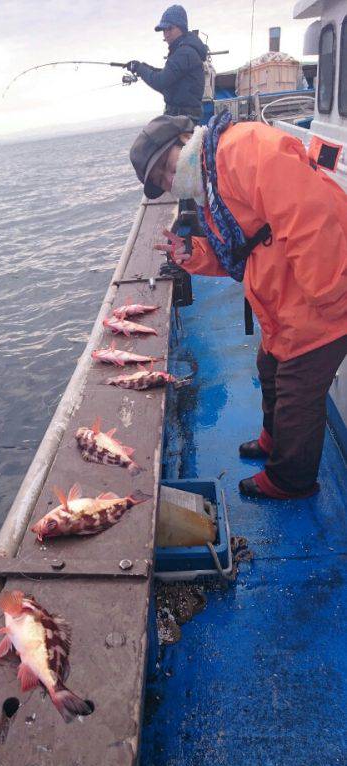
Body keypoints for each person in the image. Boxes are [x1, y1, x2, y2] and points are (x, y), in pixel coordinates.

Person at [129, 113, 347, 500]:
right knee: (269, 367)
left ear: (186, 137)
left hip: (323, 299)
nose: (169, 179)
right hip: (286, 301)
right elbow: (236, 251)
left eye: (167, 165)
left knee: (298, 392)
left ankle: (290, 480)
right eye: (161, 180)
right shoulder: (210, 180)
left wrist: (329, 294)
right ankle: (272, 438)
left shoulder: (243, 149)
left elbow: (311, 215)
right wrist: (191, 252)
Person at [126, 5, 208, 125]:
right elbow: (167, 74)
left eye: (169, 28)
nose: (166, 34)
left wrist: (140, 69)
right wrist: (142, 67)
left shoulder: (184, 53)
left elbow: (161, 81)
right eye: (164, 30)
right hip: (180, 117)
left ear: (181, 28)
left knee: (147, 142)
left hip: (183, 119)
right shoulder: (183, 51)